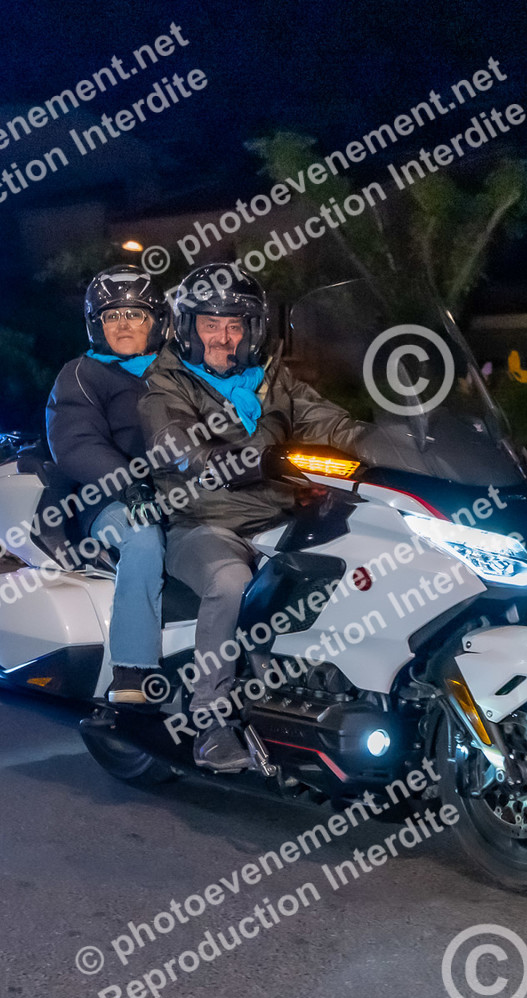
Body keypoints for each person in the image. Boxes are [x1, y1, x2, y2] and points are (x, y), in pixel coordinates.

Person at [140, 265, 372, 771]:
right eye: (211, 325)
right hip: (203, 523)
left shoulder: (271, 380)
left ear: (253, 330)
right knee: (230, 582)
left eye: (235, 325)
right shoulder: (165, 383)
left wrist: (388, 442)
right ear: (188, 328)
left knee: (362, 559)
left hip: (280, 522)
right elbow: (174, 443)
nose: (224, 337)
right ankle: (209, 721)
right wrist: (219, 459)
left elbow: (328, 421)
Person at [47, 265, 169, 703]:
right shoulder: (82, 374)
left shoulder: (178, 372)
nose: (123, 324)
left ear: (156, 321)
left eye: (135, 314)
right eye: (112, 316)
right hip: (109, 498)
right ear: (96, 325)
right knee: (143, 538)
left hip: (177, 492)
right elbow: (76, 442)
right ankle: (132, 670)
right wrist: (130, 484)